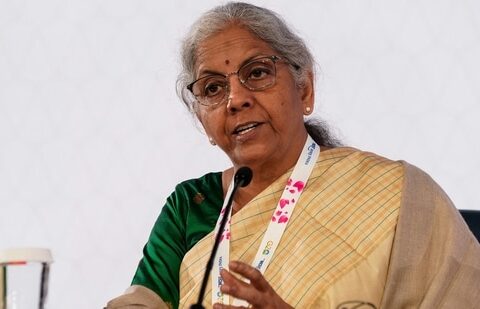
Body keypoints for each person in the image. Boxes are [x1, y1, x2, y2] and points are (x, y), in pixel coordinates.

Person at [106, 2, 480, 309]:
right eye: (213, 88)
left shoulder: (398, 196)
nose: (236, 99)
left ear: (305, 89)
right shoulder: (192, 206)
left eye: (257, 73)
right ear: (203, 120)